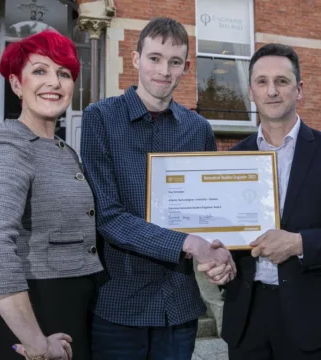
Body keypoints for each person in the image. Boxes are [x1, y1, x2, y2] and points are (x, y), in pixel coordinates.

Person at [200, 43, 321, 360]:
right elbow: (230, 235)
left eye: (282, 81)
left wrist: (298, 243)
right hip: (247, 316)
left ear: (299, 89)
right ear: (251, 90)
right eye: (262, 82)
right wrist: (220, 261)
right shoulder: (234, 159)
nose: (272, 91)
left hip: (311, 316)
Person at [79, 17, 235, 360]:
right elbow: (107, 216)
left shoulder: (198, 129)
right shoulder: (99, 118)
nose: (164, 70)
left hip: (177, 306)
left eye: (175, 61)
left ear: (186, 67)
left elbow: (211, 214)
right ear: (135, 59)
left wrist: (223, 252)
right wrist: (188, 242)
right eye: (154, 58)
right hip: (119, 305)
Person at [0, 30, 103, 360]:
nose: (54, 82)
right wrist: (36, 342)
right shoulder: (9, 145)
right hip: (31, 315)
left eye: (64, 73)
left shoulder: (63, 149)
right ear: (17, 84)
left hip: (71, 309)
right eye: (40, 71)